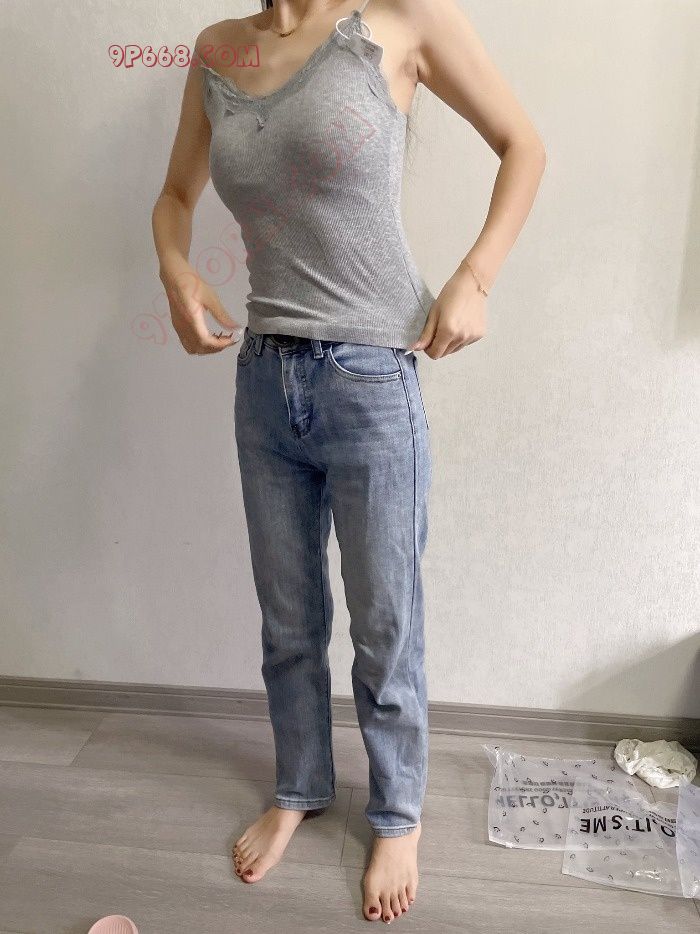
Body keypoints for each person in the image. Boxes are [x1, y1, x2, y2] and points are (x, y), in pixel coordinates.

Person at [151, 0, 545, 923]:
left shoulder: (400, 20)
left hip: (372, 377)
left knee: (385, 622)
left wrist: (475, 277)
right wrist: (177, 270)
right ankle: (300, 785)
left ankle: (398, 812)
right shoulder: (218, 49)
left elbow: (524, 145)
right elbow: (174, 195)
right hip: (264, 376)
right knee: (288, 620)